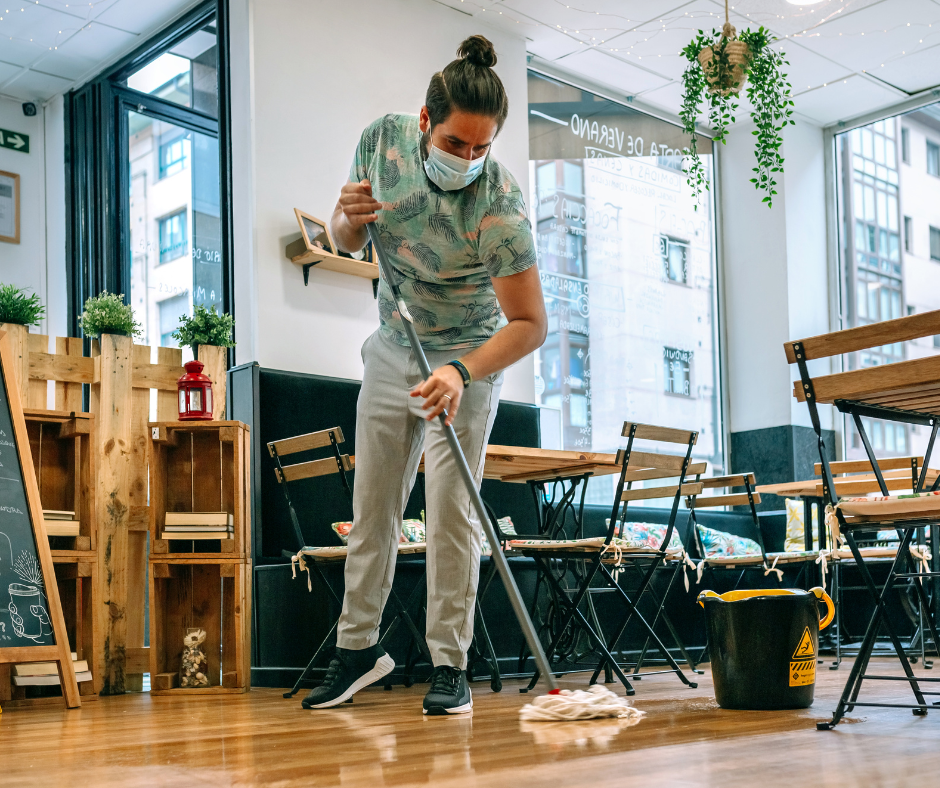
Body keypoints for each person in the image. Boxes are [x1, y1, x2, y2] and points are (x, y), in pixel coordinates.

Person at [303, 35, 546, 716]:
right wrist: (342, 223)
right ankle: (357, 651)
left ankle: (449, 664)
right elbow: (347, 239)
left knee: (449, 513)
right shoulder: (380, 143)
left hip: (467, 354)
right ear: (422, 121)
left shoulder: (500, 207)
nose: (467, 159)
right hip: (393, 345)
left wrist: (463, 371)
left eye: (481, 148)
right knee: (372, 508)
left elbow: (530, 323)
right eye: (455, 143)